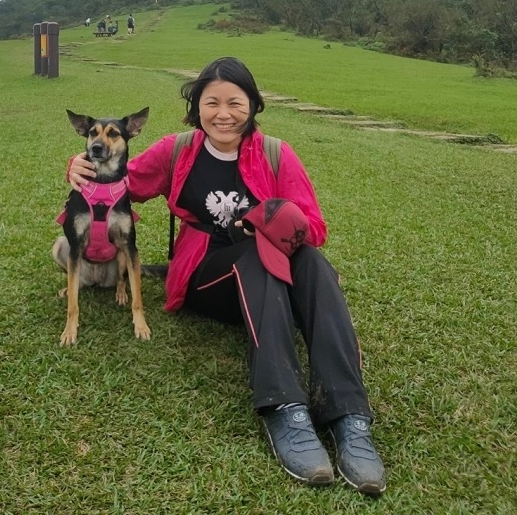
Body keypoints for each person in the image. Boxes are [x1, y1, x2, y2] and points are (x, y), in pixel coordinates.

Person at [64, 56, 386, 495]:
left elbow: (314, 228)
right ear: (196, 108)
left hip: (270, 280)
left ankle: (349, 415)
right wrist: (79, 166)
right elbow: (118, 182)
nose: (223, 113)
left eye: (235, 102)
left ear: (252, 105)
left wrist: (273, 217)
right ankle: (285, 408)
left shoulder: (276, 153)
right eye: (211, 102)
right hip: (205, 277)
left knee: (312, 262)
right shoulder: (177, 150)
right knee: (253, 256)